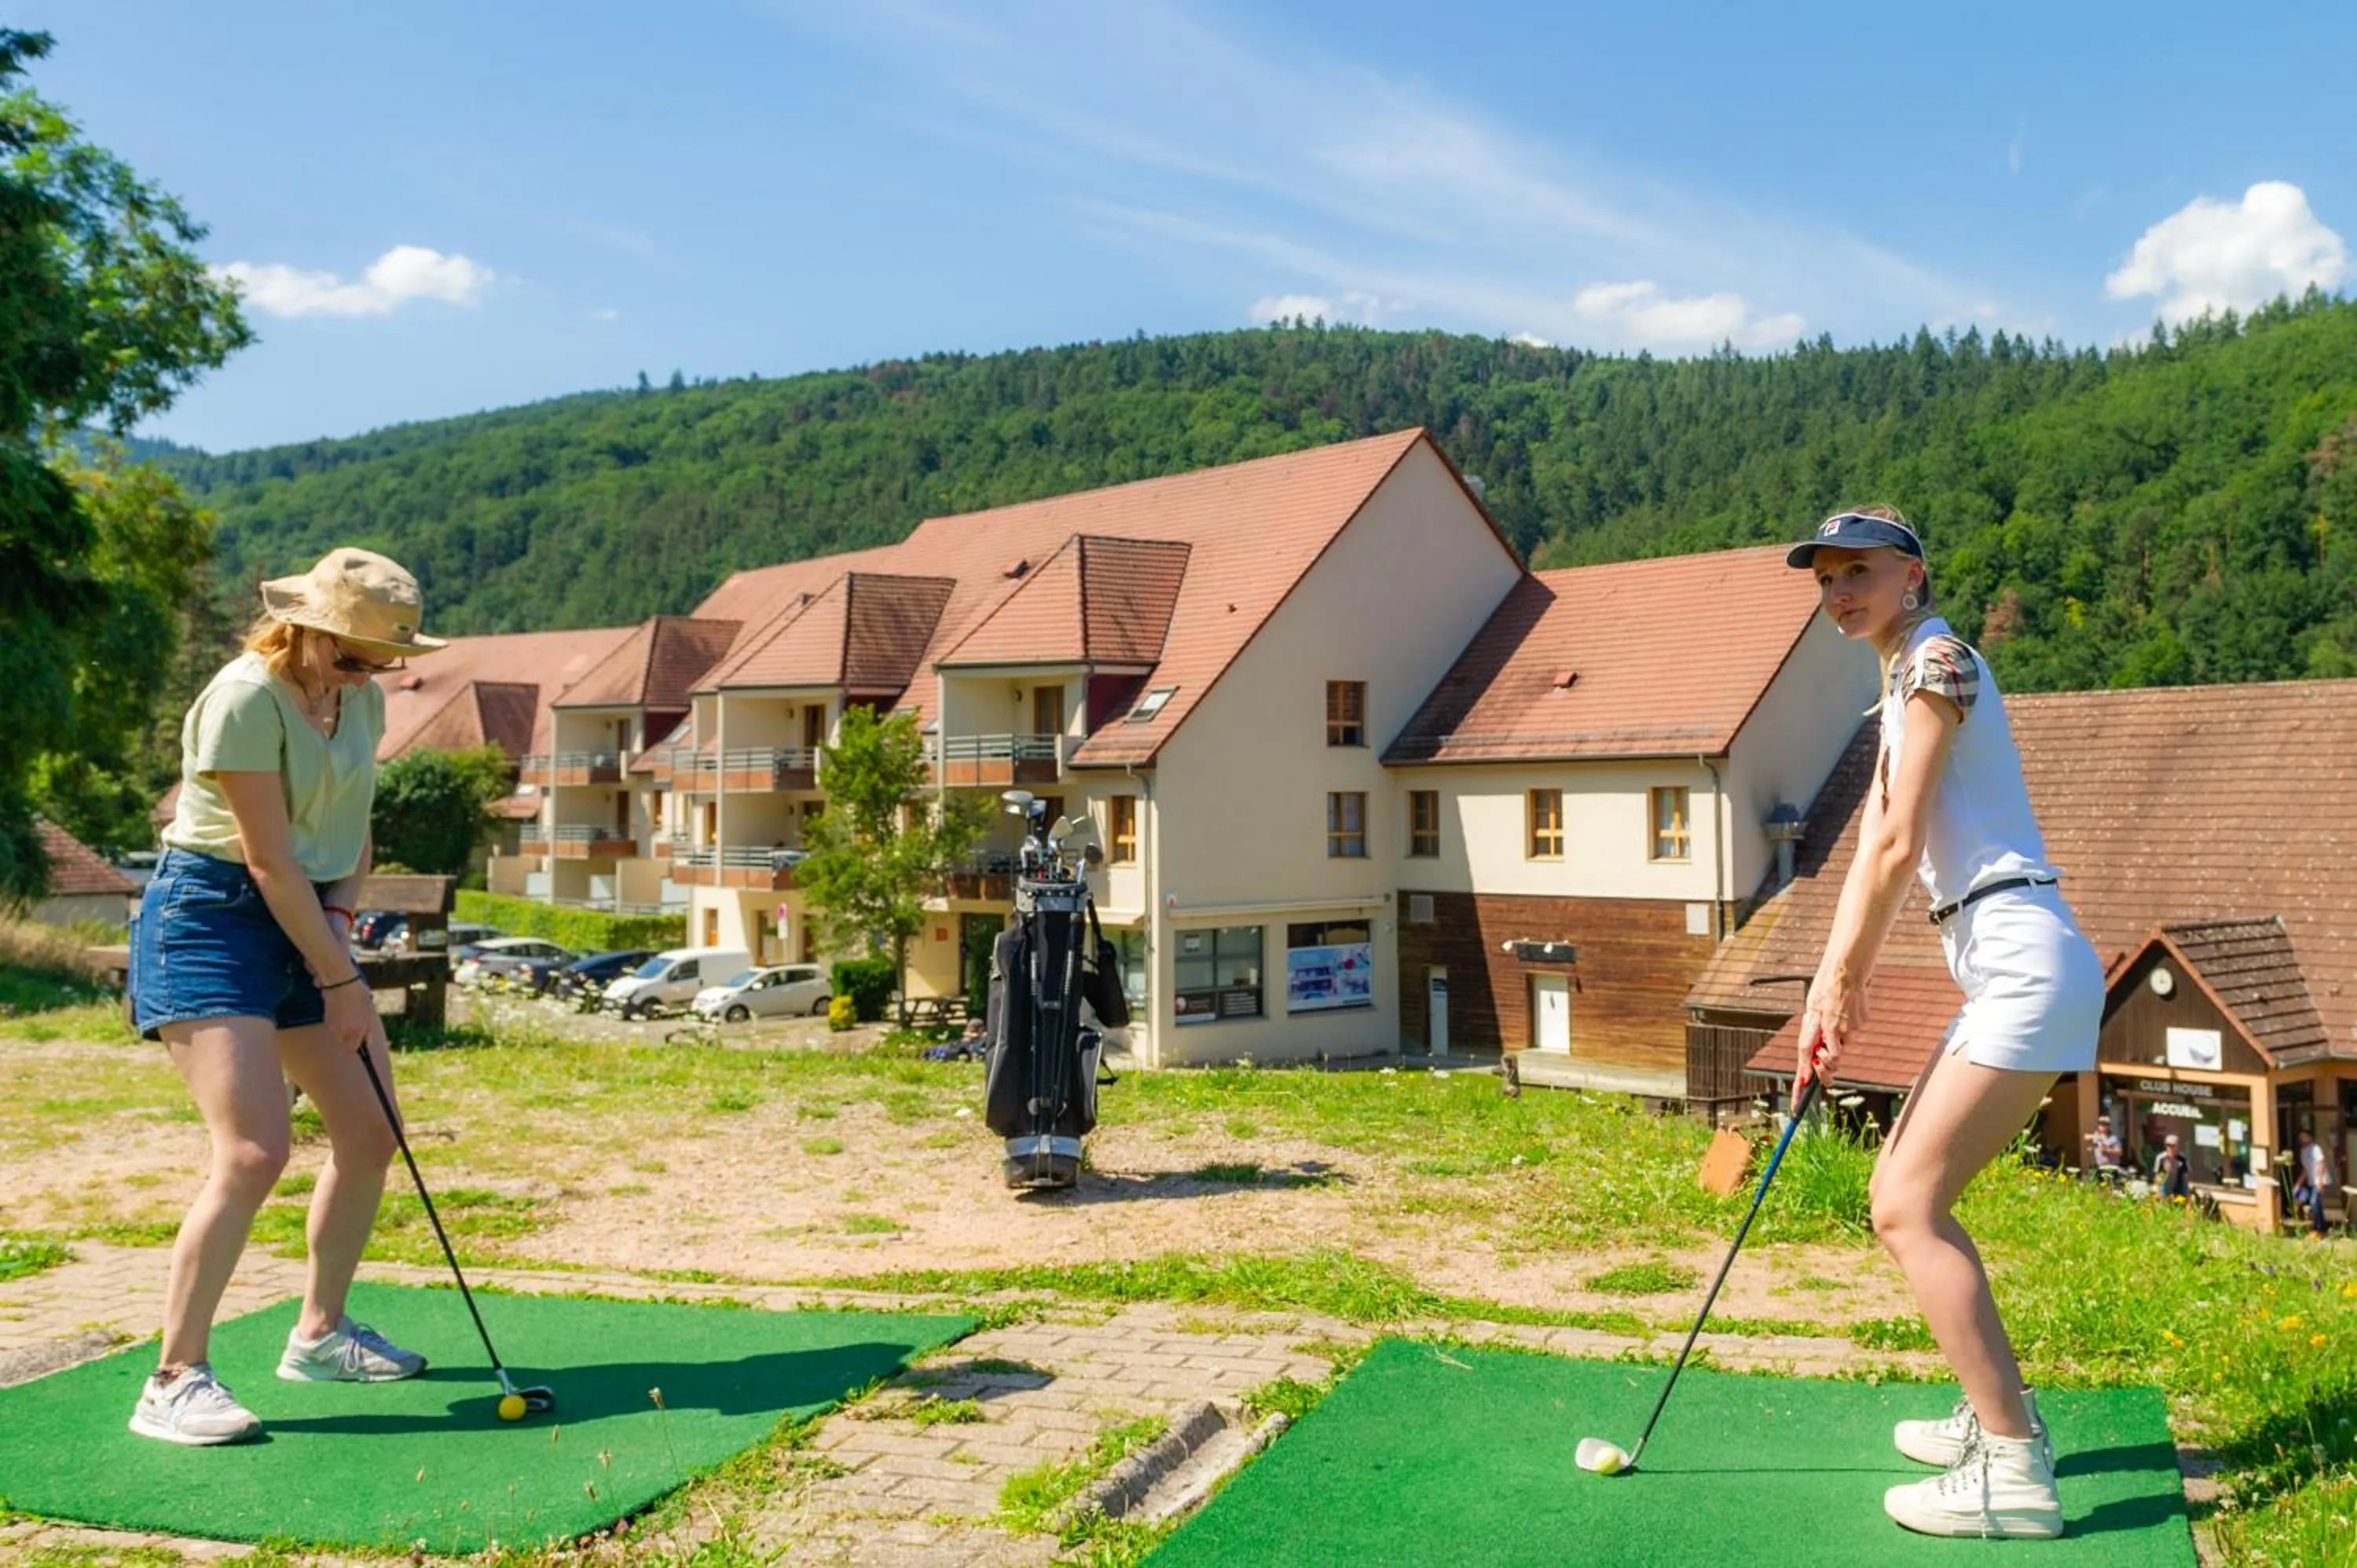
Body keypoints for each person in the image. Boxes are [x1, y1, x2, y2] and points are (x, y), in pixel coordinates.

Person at [1789, 508, 2104, 1541]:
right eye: (1827, 577)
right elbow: (1870, 849)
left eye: (1860, 572)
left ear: (1913, 575)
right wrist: (1819, 996)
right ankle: (1997, 1418)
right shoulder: (1902, 681)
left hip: (2023, 965)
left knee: (1906, 1207)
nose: (1839, 591)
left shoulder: (1941, 664)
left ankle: (2013, 1470)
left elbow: (1899, 845)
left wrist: (1845, 985)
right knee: (1900, 1197)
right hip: (2004, 966)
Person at [126, 549, 447, 1445]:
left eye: (383, 659)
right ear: (306, 627)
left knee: (369, 1130)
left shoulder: (363, 698)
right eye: (351, 655)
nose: (369, 673)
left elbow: (351, 822)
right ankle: (174, 1376)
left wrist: (341, 922)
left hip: (308, 912)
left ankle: (319, 1332)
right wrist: (341, 981)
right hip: (212, 918)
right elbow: (264, 857)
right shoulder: (242, 698)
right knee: (255, 1150)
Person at [2293, 1129, 2335, 1240]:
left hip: (2320, 1181)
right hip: (2312, 1182)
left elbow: (2321, 1163)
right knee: (2316, 1205)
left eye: (2304, 1136)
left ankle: (2319, 1228)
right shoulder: (2303, 1151)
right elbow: (2306, 1170)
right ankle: (2322, 1228)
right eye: (2301, 1137)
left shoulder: (2316, 1149)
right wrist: (2298, 1184)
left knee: (2314, 1202)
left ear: (2310, 1137)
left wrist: (2320, 1181)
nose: (2302, 1139)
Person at [2085, 1115, 2125, 1186]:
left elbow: (2119, 1152)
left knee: (2113, 1187)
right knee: (2098, 1187)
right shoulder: (2096, 1136)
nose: (2102, 1126)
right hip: (2100, 1167)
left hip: (2111, 1167)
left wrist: (2107, 1150)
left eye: (2105, 1124)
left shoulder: (2113, 1138)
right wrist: (2096, 1138)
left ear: (2108, 1126)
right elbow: (2086, 1137)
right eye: (2100, 1124)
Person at [2154, 1134, 2191, 1201]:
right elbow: (2157, 1175)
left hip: (2180, 1186)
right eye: (2168, 1145)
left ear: (2177, 1146)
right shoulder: (2161, 1158)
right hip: (2166, 1186)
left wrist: (2187, 1193)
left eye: (2172, 1146)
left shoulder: (2183, 1158)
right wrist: (2158, 1190)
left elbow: (2186, 1176)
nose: (2170, 1148)